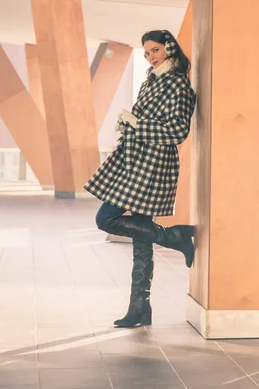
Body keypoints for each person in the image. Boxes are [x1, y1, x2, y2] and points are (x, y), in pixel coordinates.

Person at [84, 29, 196, 328]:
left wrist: (139, 124)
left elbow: (176, 132)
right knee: (142, 234)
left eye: (155, 49)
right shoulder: (152, 81)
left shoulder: (179, 85)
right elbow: (150, 121)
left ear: (169, 48)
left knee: (105, 218)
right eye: (146, 52)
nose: (151, 56)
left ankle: (174, 237)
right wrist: (128, 124)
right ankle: (140, 307)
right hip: (134, 159)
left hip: (153, 164)